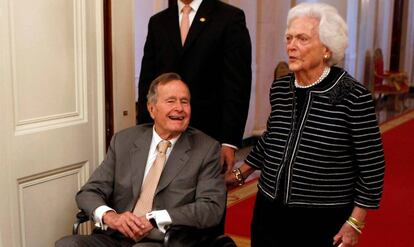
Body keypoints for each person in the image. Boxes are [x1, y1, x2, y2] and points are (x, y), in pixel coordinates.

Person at [226, 3, 385, 247]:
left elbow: (372, 166)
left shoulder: (352, 95)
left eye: (302, 39)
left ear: (327, 49)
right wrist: (240, 173)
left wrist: (354, 223)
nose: (291, 45)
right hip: (268, 211)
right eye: (289, 37)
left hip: (322, 218)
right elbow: (272, 139)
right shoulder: (281, 88)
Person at [56, 73, 226, 247]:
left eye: (184, 101)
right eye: (171, 101)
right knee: (67, 244)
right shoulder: (124, 141)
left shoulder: (206, 149)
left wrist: (154, 219)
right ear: (152, 109)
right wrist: (111, 217)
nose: (179, 108)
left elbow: (211, 208)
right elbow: (89, 192)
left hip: (164, 241)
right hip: (116, 236)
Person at [137, 0, 252, 173]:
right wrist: (145, 131)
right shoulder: (158, 22)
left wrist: (229, 141)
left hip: (209, 134)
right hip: (163, 134)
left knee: (206, 195)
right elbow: (147, 82)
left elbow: (237, 84)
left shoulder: (229, 17)